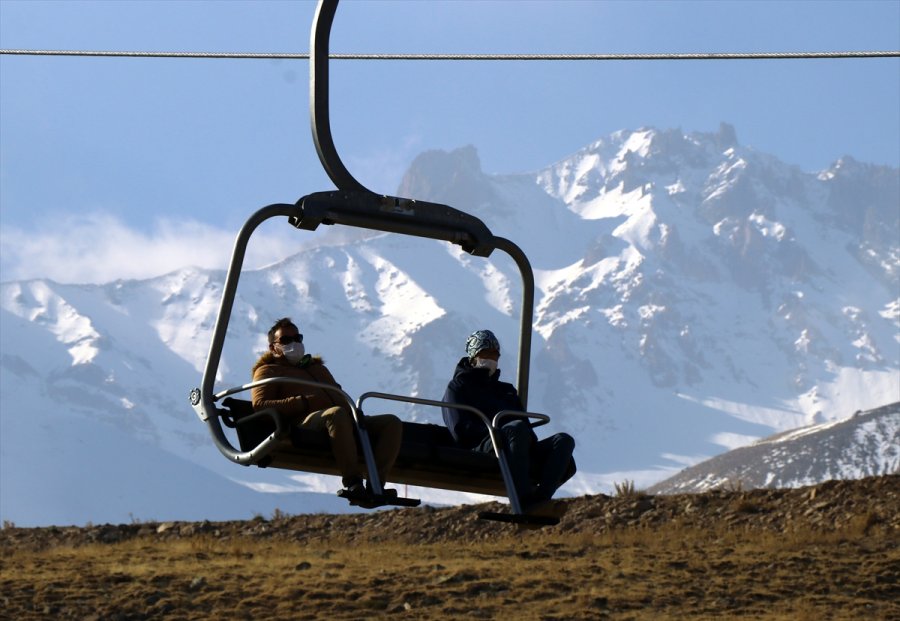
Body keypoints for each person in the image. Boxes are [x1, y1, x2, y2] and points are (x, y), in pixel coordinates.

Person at [251, 317, 402, 503]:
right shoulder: (268, 371)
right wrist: (302, 402)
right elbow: (260, 405)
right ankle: (353, 482)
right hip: (304, 422)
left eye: (297, 338)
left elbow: (338, 394)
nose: (294, 344)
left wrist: (353, 412)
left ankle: (376, 484)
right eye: (285, 340)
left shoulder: (317, 369)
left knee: (390, 422)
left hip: (341, 418)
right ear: (273, 347)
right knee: (336, 414)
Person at [442, 329, 575, 512]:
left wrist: (520, 436)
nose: (492, 359)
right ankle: (521, 503)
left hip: (515, 440)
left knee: (563, 441)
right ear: (474, 356)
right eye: (486, 353)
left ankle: (540, 500)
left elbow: (524, 426)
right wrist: (498, 432)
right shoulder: (458, 387)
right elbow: (460, 430)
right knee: (515, 428)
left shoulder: (506, 390)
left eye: (495, 355)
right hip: (481, 444)